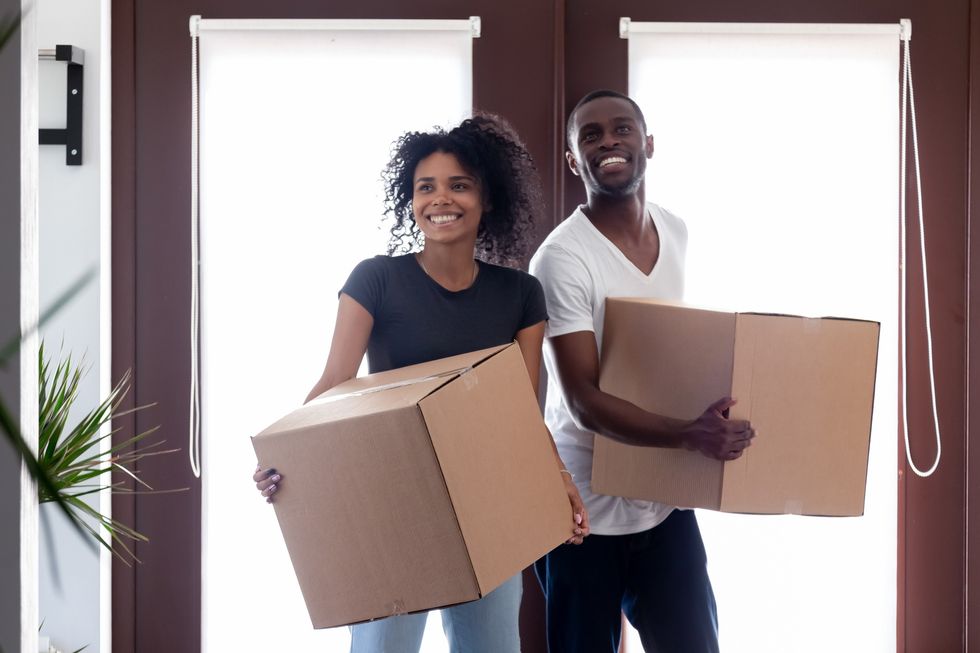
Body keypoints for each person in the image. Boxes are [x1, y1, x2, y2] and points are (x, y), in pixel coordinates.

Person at [253, 113, 589, 653]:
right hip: (391, 496)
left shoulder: (521, 294)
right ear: (410, 201)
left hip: (486, 500)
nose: (441, 199)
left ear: (487, 200)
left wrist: (558, 482)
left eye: (460, 185)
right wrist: (287, 458)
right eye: (425, 187)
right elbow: (335, 383)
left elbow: (524, 414)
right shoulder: (376, 279)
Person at [529, 90, 756, 653]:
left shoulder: (674, 230)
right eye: (591, 135)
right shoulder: (562, 258)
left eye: (623, 128)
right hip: (582, 508)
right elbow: (581, 397)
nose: (609, 140)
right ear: (573, 160)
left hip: (661, 494)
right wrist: (688, 434)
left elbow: (664, 354)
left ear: (648, 143)